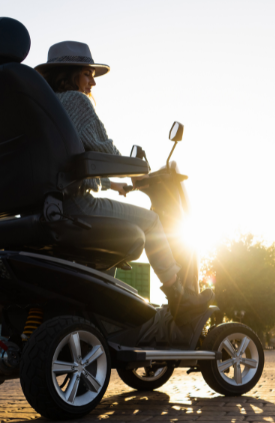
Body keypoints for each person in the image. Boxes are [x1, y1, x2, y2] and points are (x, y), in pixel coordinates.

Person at [35, 41, 210, 319]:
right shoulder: (76, 102)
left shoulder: (44, 108)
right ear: (68, 74)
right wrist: (138, 171)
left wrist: (110, 184)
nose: (93, 81)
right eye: (87, 73)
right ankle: (181, 294)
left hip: (48, 204)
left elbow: (68, 164)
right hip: (77, 205)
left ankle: (104, 316)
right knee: (152, 222)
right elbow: (104, 149)